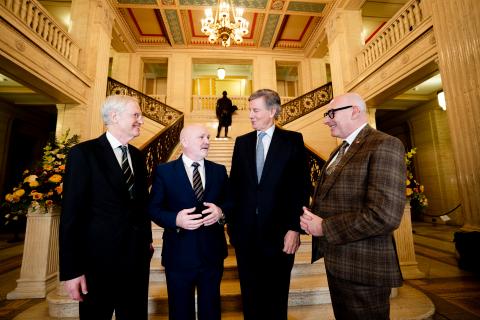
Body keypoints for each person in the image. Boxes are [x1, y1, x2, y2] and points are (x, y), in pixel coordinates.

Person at [300, 92, 406, 319]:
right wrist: (313, 215)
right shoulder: (338, 150)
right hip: (338, 262)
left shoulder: (385, 144)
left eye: (331, 113)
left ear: (355, 111)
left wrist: (324, 227)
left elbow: (384, 216)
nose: (326, 120)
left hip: (364, 268)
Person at [59, 95, 153, 319]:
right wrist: (72, 271)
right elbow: (71, 215)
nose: (141, 120)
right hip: (97, 264)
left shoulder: (138, 157)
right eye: (136, 115)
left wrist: (147, 241)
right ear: (114, 116)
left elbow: (140, 205)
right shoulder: (83, 154)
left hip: (136, 261)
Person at [228, 89, 310, 320]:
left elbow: (301, 188)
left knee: (276, 297)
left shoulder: (293, 140)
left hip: (280, 234)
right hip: (246, 236)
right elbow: (235, 186)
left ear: (272, 111)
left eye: (255, 110)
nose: (250, 115)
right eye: (250, 110)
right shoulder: (242, 143)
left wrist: (294, 228)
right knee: (250, 296)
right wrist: (232, 228)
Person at [148, 124, 230, 320]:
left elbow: (231, 202)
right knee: (180, 311)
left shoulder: (219, 171)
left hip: (212, 255)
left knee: (211, 311)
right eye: (201, 137)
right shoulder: (164, 171)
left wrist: (221, 212)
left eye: (208, 137)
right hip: (178, 255)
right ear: (184, 142)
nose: (207, 141)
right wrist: (175, 219)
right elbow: (153, 208)